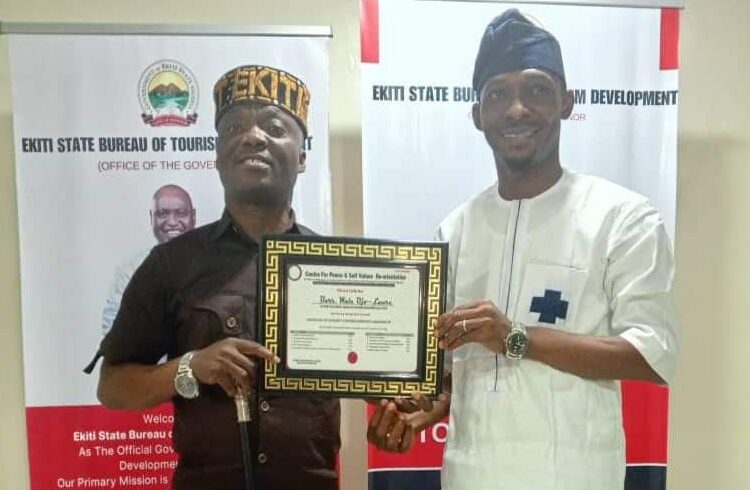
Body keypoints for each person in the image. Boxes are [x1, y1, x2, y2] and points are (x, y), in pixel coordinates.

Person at [367, 9, 680, 490]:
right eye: (498, 94)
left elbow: (652, 353)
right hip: (469, 475)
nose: (516, 110)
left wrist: (516, 337)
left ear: (566, 102)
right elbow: (456, 369)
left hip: (577, 478)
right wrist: (429, 407)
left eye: (535, 89)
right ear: (477, 115)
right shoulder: (455, 230)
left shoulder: (622, 217)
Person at [95, 65, 340, 490]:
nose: (252, 136)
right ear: (217, 156)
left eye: (274, 127)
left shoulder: (337, 266)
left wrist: (398, 403)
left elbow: (377, 368)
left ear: (302, 157)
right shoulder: (171, 264)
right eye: (233, 127)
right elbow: (113, 387)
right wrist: (190, 367)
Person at [100, 184, 196, 335]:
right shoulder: (130, 270)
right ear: (152, 218)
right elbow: (112, 331)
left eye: (181, 213)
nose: (172, 222)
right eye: (163, 213)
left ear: (193, 216)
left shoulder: (215, 264)